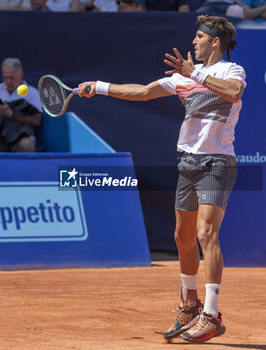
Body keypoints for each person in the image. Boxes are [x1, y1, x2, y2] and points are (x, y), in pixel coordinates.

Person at [78, 14, 246, 343]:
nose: (194, 42)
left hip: (218, 162)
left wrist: (194, 72)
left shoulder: (230, 70)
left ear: (215, 42)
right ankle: (189, 304)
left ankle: (211, 316)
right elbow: (141, 92)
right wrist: (97, 87)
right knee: (183, 237)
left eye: (199, 37)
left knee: (206, 233)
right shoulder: (182, 78)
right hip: (188, 162)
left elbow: (235, 92)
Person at [0, 58, 42, 152]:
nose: (8, 81)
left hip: (22, 137)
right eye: (5, 77)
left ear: (20, 74)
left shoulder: (32, 93)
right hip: (0, 138)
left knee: (27, 144)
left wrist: (11, 114)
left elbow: (37, 120)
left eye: (12, 77)